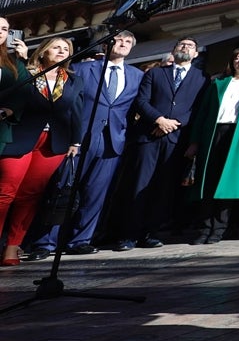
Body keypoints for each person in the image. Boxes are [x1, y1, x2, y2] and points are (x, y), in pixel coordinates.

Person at [32, 30, 143, 254]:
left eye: (128, 41)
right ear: (106, 44)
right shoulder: (82, 69)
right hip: (78, 139)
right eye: (118, 39)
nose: (123, 44)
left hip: (112, 142)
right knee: (62, 189)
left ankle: (80, 241)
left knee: (96, 194)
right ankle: (45, 242)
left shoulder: (138, 76)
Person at [117, 37, 207, 251]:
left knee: (163, 188)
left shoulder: (203, 78)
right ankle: (128, 235)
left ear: (196, 54)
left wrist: (173, 125)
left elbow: (199, 108)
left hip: (176, 141)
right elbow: (141, 101)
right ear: (174, 50)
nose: (185, 47)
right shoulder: (156, 73)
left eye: (190, 46)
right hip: (148, 137)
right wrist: (159, 120)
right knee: (138, 184)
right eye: (181, 44)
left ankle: (151, 233)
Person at [2, 37, 83, 264]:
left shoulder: (73, 80)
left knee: (30, 195)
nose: (61, 51)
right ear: (43, 51)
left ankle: (12, 247)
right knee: (6, 192)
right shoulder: (26, 72)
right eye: (56, 47)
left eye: (66, 48)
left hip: (54, 144)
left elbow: (76, 112)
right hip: (20, 138)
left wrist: (75, 142)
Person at [185, 48, 239, 245]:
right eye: (237, 57)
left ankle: (219, 229)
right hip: (213, 133)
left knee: (229, 184)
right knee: (208, 181)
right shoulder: (218, 82)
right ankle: (204, 228)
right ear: (232, 61)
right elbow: (202, 114)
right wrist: (195, 142)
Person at [0, 17, 30, 161]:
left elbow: (24, 90)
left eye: (4, 29)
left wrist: (6, 111)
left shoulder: (13, 62)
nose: (0, 32)